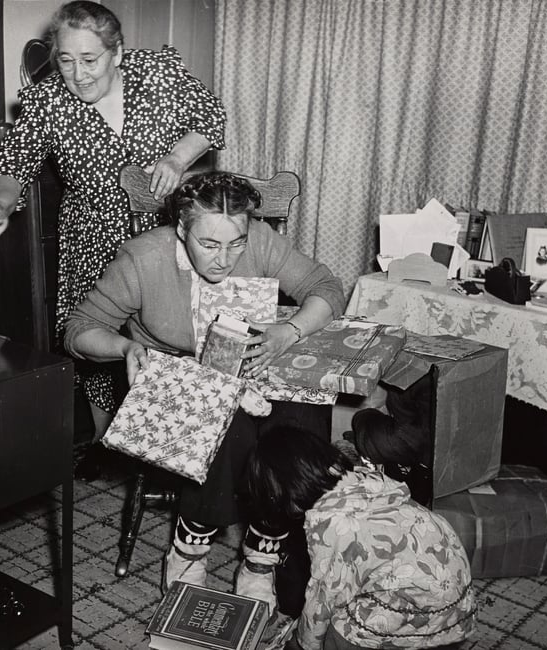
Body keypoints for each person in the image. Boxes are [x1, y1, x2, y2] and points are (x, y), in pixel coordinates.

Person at [0, 1, 226, 479]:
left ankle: (176, 441)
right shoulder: (46, 101)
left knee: (172, 334)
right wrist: (0, 207)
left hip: (164, 232)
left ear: (117, 52)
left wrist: (175, 159)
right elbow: (11, 166)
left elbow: (210, 118)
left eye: (91, 59)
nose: (78, 74)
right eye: (66, 60)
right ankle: (111, 444)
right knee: (97, 342)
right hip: (90, 234)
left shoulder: (158, 72)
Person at [64, 171, 346, 614]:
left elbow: (326, 288)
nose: (224, 260)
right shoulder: (144, 258)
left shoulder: (261, 240)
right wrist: (124, 347)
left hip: (250, 360)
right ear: (181, 229)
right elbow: (78, 330)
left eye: (235, 243)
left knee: (302, 417)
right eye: (209, 245)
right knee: (225, 419)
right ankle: (190, 544)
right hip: (173, 373)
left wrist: (287, 332)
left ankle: (261, 556)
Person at [247, 427, 476, 650]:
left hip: (421, 617)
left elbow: (322, 601)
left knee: (337, 629)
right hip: (457, 606)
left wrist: (300, 643)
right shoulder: (361, 478)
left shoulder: (331, 525)